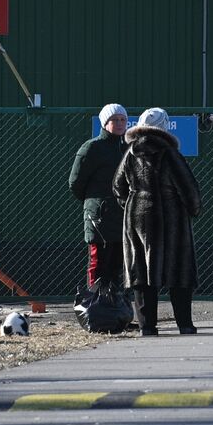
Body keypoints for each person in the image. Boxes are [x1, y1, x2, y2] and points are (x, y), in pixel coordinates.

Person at [113, 107, 203, 335]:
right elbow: (188, 188)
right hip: (170, 217)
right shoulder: (169, 154)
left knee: (141, 271)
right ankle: (184, 324)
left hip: (137, 215)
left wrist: (131, 203)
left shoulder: (131, 152)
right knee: (178, 270)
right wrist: (193, 209)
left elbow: (117, 185)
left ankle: (147, 326)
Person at [69, 103, 128, 288]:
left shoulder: (127, 148)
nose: (120, 123)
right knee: (99, 262)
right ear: (105, 123)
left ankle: (115, 302)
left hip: (123, 216)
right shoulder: (92, 148)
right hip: (99, 218)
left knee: (118, 264)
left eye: (123, 119)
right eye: (115, 120)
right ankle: (94, 301)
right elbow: (75, 183)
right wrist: (95, 204)